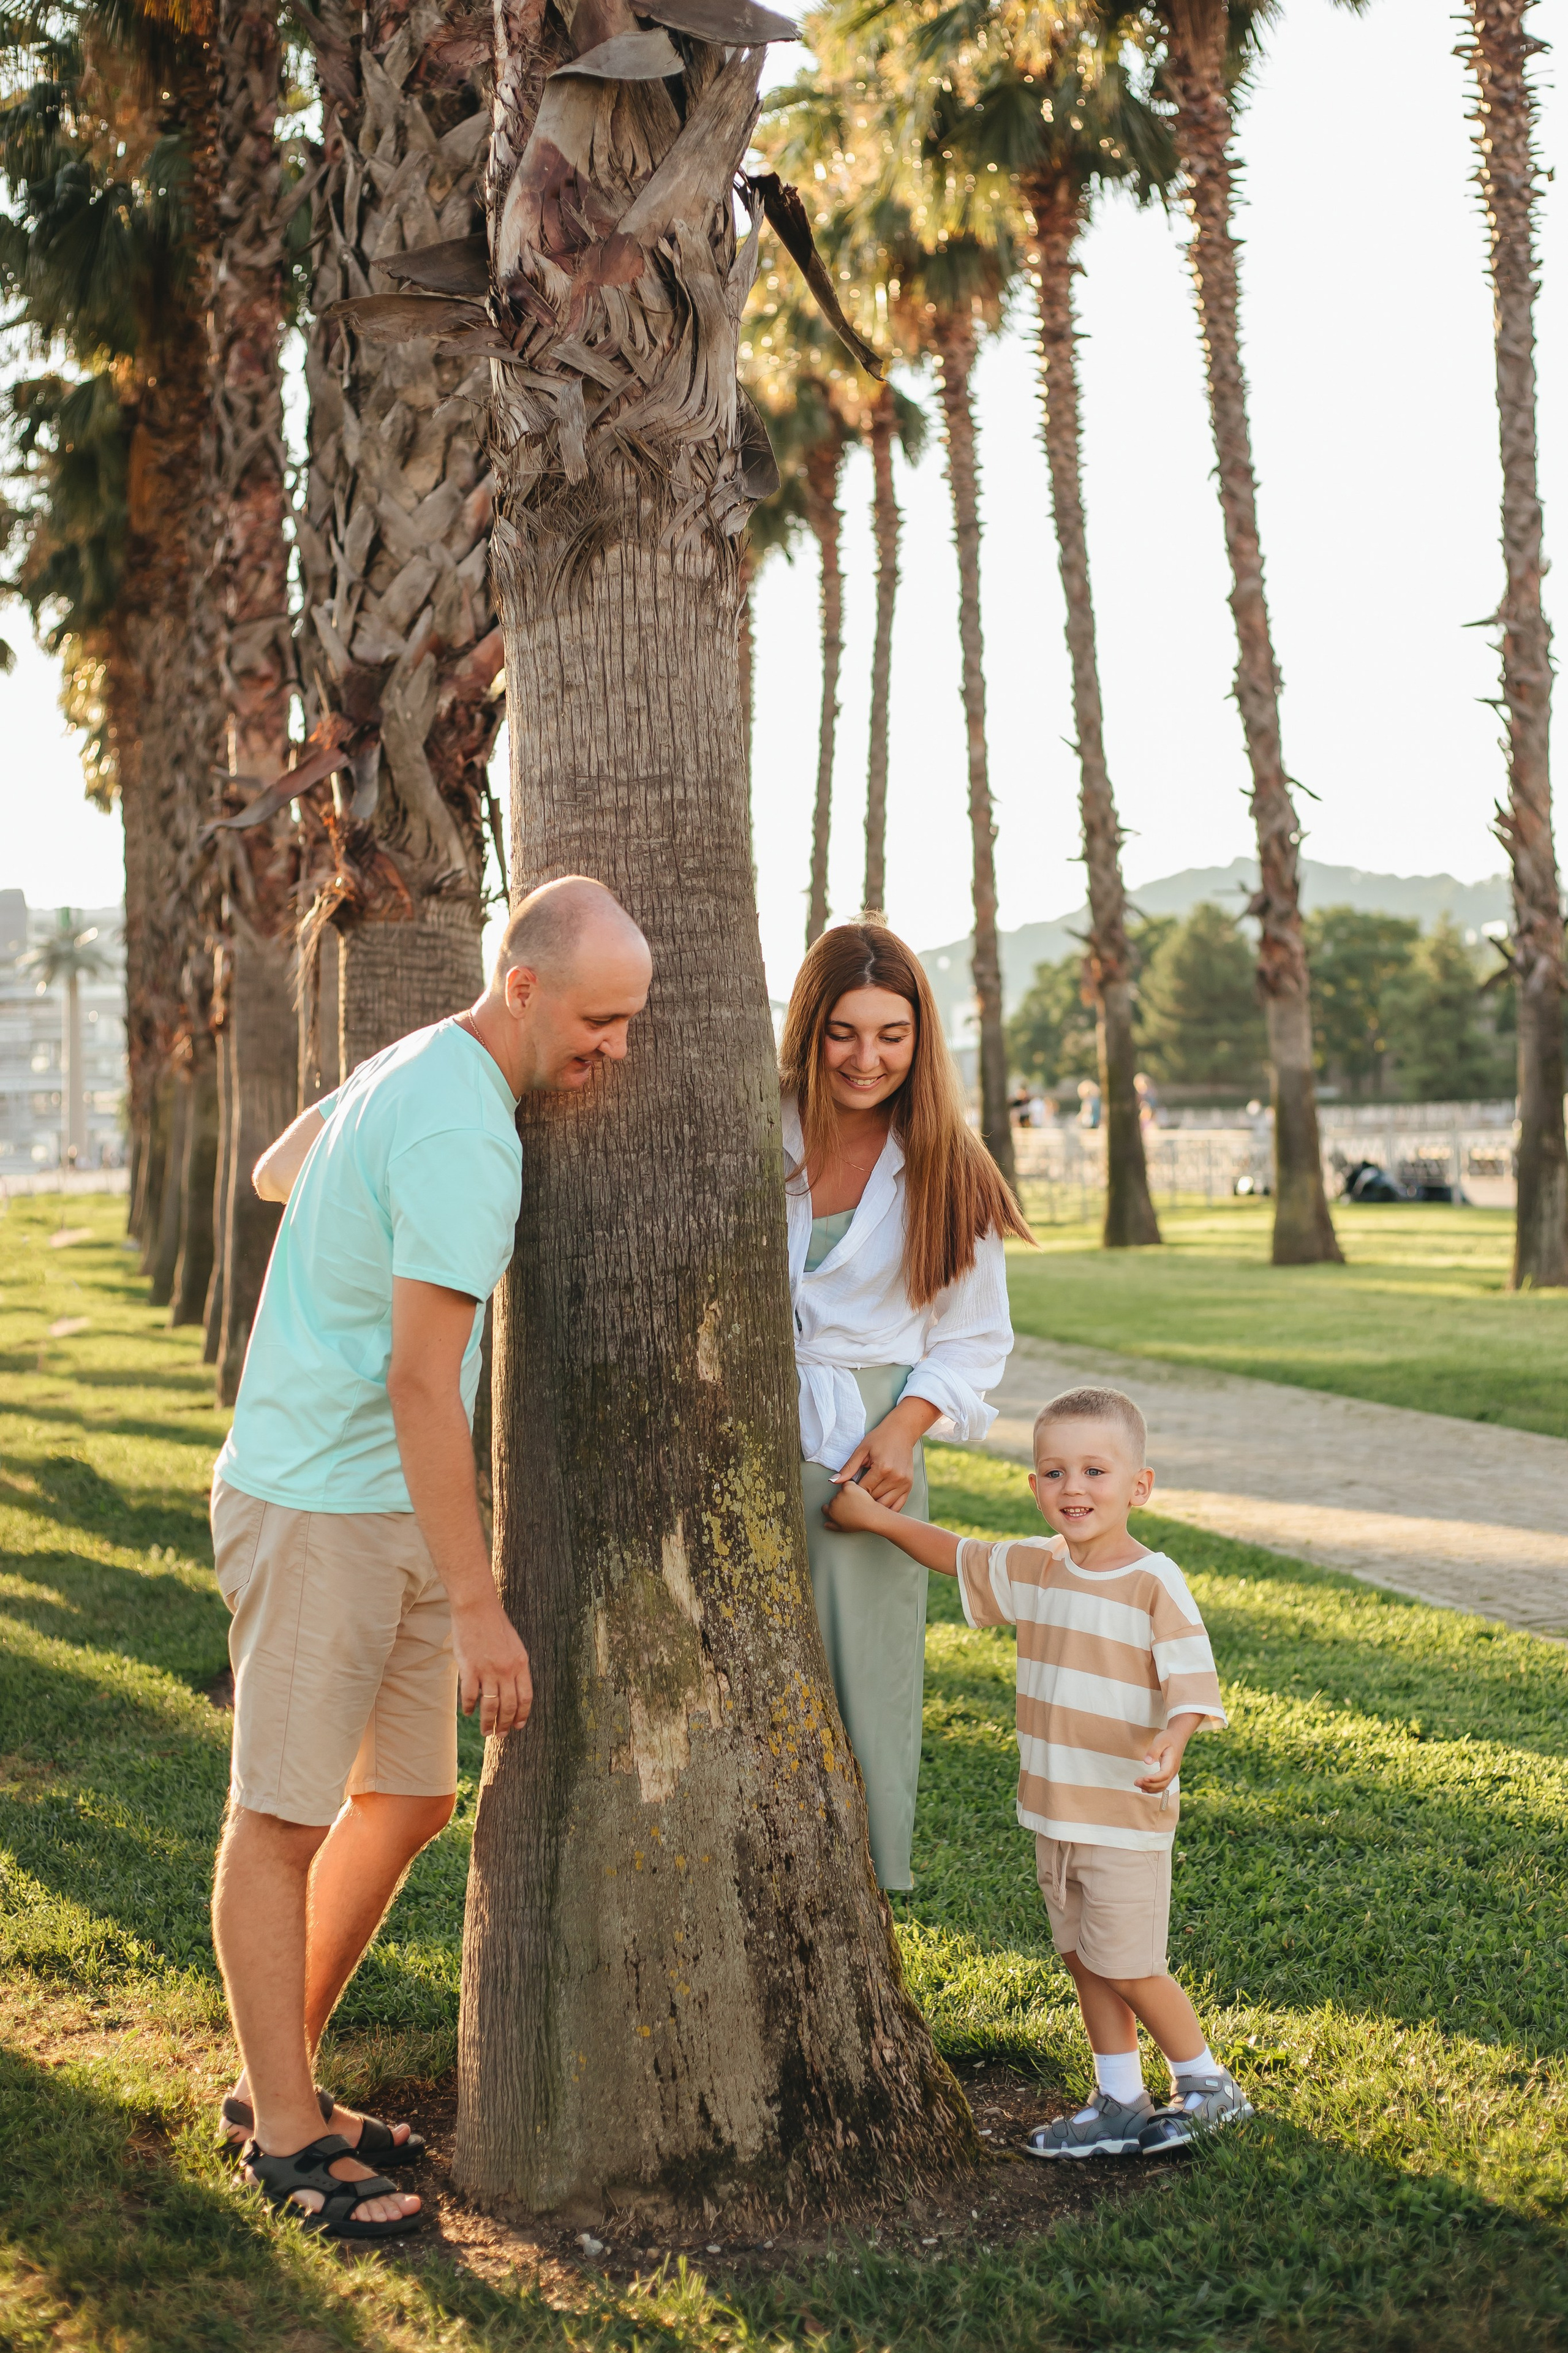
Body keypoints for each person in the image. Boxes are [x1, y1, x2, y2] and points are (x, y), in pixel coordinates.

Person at [207, 877, 651, 2239]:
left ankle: (272, 2085)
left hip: (386, 1501)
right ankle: (286, 2137)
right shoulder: (466, 1131)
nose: (616, 1047)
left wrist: (350, 1196)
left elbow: (280, 1169)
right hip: (319, 1502)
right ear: (522, 987)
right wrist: (481, 1606)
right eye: (600, 1020)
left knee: (404, 1798)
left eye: (627, 1021)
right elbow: (417, 1378)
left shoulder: (417, 1063)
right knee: (281, 1817)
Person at [826, 1383, 1251, 2157]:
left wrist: (1176, 1737)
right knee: (1084, 1960)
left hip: (1122, 1813)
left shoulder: (1153, 1580)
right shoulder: (1036, 1568)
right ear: (1033, 1486)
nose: (1072, 1488)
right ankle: (1118, 2096)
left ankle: (1206, 2082)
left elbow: (1192, 1675)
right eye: (1054, 1473)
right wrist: (874, 1519)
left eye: (1094, 1471)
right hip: (1054, 1809)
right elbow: (956, 1553)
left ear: (1138, 1486)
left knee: (1130, 1965)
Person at [779, 920, 1031, 1890]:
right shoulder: (753, 1126)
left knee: (864, 1680)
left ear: (922, 1037)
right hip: (736, 1422)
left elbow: (976, 1338)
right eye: (843, 1032)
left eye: (892, 1034)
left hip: (866, 1448)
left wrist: (903, 1430)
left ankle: (862, 1886)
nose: (867, 1058)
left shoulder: (948, 1162)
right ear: (810, 1028)